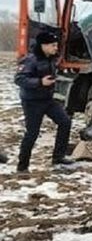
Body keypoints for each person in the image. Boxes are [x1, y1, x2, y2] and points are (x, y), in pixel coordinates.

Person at [14, 31, 74, 172]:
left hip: (47, 100)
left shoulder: (51, 59)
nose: (56, 48)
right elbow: (19, 79)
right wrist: (40, 82)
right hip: (32, 102)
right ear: (43, 45)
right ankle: (22, 167)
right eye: (53, 45)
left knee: (65, 122)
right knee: (32, 133)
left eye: (56, 45)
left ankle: (58, 157)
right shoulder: (30, 60)